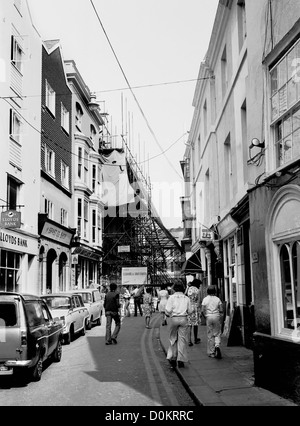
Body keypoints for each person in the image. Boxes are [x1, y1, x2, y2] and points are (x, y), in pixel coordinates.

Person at [165, 281, 193, 369]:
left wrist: (168, 314)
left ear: (174, 289)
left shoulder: (171, 298)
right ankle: (180, 360)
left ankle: (173, 357)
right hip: (184, 318)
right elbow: (190, 310)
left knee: (172, 338)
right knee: (182, 339)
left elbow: (168, 310)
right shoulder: (186, 298)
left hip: (174, 319)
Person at [201, 285, 223, 359]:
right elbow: (221, 310)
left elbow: (202, 310)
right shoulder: (218, 299)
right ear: (215, 291)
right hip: (216, 316)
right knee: (217, 333)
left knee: (210, 334)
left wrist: (205, 316)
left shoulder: (205, 299)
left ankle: (211, 352)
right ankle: (217, 345)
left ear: (207, 291)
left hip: (209, 316)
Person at [185, 279, 202, 346]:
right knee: (195, 324)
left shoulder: (188, 289)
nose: (200, 286)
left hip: (188, 307)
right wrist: (199, 310)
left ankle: (189, 341)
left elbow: (185, 296)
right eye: (199, 285)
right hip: (195, 308)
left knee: (189, 324)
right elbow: (199, 300)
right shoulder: (197, 290)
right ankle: (195, 339)